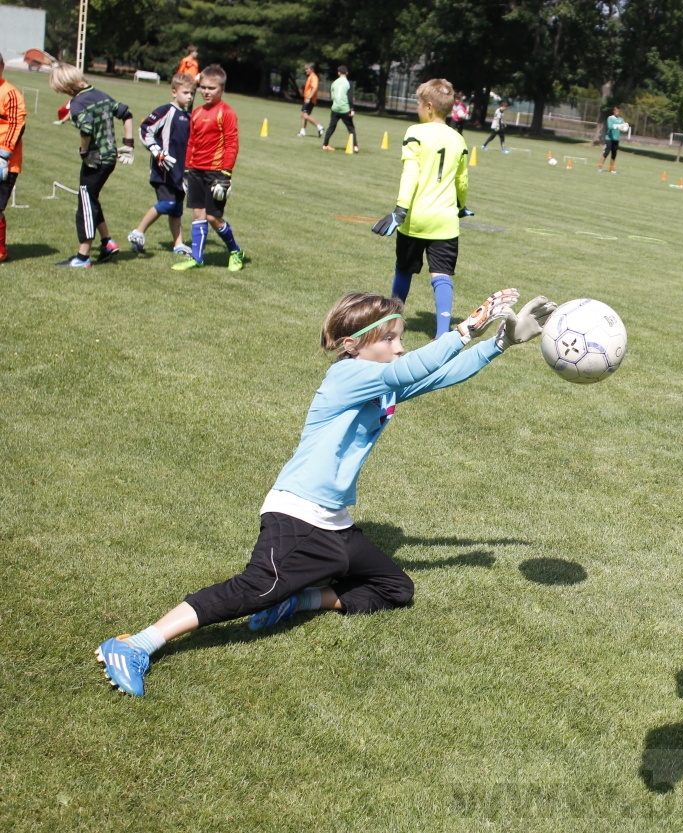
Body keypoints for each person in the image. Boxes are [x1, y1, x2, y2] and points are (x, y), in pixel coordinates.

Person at [95, 288, 558, 697]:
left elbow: (439, 375)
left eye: (401, 338)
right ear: (354, 345)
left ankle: (297, 600)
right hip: (298, 514)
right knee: (255, 587)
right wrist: (473, 324)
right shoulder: (346, 377)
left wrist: (500, 343)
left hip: (334, 522)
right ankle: (137, 643)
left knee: (395, 588)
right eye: (391, 339)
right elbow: (423, 363)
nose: (401, 347)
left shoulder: (380, 382)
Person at [372, 78, 471, 338]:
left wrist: (400, 209)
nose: (416, 107)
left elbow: (411, 172)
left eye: (418, 102)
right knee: (442, 275)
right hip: (445, 222)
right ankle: (442, 334)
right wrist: (461, 206)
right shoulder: (459, 140)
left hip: (415, 218)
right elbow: (462, 181)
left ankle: (393, 324)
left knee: (404, 269)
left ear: (428, 106)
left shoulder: (415, 132)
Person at [49, 65, 135, 268]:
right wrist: (128, 144)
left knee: (85, 203)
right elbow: (126, 113)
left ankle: (83, 256)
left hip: (96, 160)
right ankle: (107, 242)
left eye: (61, 89)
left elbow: (86, 128)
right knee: (91, 198)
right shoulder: (100, 94)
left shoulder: (78, 103)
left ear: (67, 85)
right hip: (110, 157)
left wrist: (84, 152)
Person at [172, 64, 244, 272]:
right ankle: (197, 258)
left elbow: (232, 144)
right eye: (202, 87)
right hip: (195, 170)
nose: (205, 92)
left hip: (216, 173)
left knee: (213, 217)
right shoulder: (195, 112)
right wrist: (187, 171)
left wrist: (225, 175)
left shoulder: (226, 113)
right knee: (198, 215)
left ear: (222, 89)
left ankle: (235, 251)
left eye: (211, 88)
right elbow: (191, 142)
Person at [128, 73, 195, 256]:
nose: (190, 96)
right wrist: (157, 152)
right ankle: (137, 232)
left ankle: (178, 244)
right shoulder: (166, 111)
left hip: (181, 172)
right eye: (185, 92)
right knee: (167, 203)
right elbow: (145, 130)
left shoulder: (190, 116)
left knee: (176, 209)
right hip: (164, 170)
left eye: (192, 93)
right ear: (174, 92)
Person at [0, 54, 27, 264]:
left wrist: (3, 155)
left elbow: (18, 126)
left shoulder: (10, 94)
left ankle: (0, 252)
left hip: (5, 162)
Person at [322, 66, 359, 152]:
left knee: (331, 127)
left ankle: (325, 144)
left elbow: (332, 96)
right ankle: (355, 146)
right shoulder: (348, 83)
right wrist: (352, 108)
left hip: (335, 108)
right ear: (347, 73)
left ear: (338, 73)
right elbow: (350, 98)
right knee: (351, 128)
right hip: (345, 108)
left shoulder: (334, 83)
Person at [297, 63, 323, 138]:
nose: (306, 71)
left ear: (312, 69)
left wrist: (309, 97)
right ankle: (303, 131)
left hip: (310, 99)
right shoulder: (310, 77)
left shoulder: (314, 77)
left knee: (305, 115)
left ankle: (319, 127)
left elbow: (315, 88)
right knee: (303, 115)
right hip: (307, 98)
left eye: (307, 69)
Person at [598, 106, 626, 173]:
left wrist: (625, 127)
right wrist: (618, 126)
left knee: (614, 154)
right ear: (613, 111)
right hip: (609, 139)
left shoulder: (621, 119)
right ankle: (600, 166)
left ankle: (611, 168)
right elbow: (610, 126)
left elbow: (623, 128)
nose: (617, 112)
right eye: (616, 111)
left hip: (616, 139)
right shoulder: (610, 118)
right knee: (606, 153)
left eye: (618, 111)